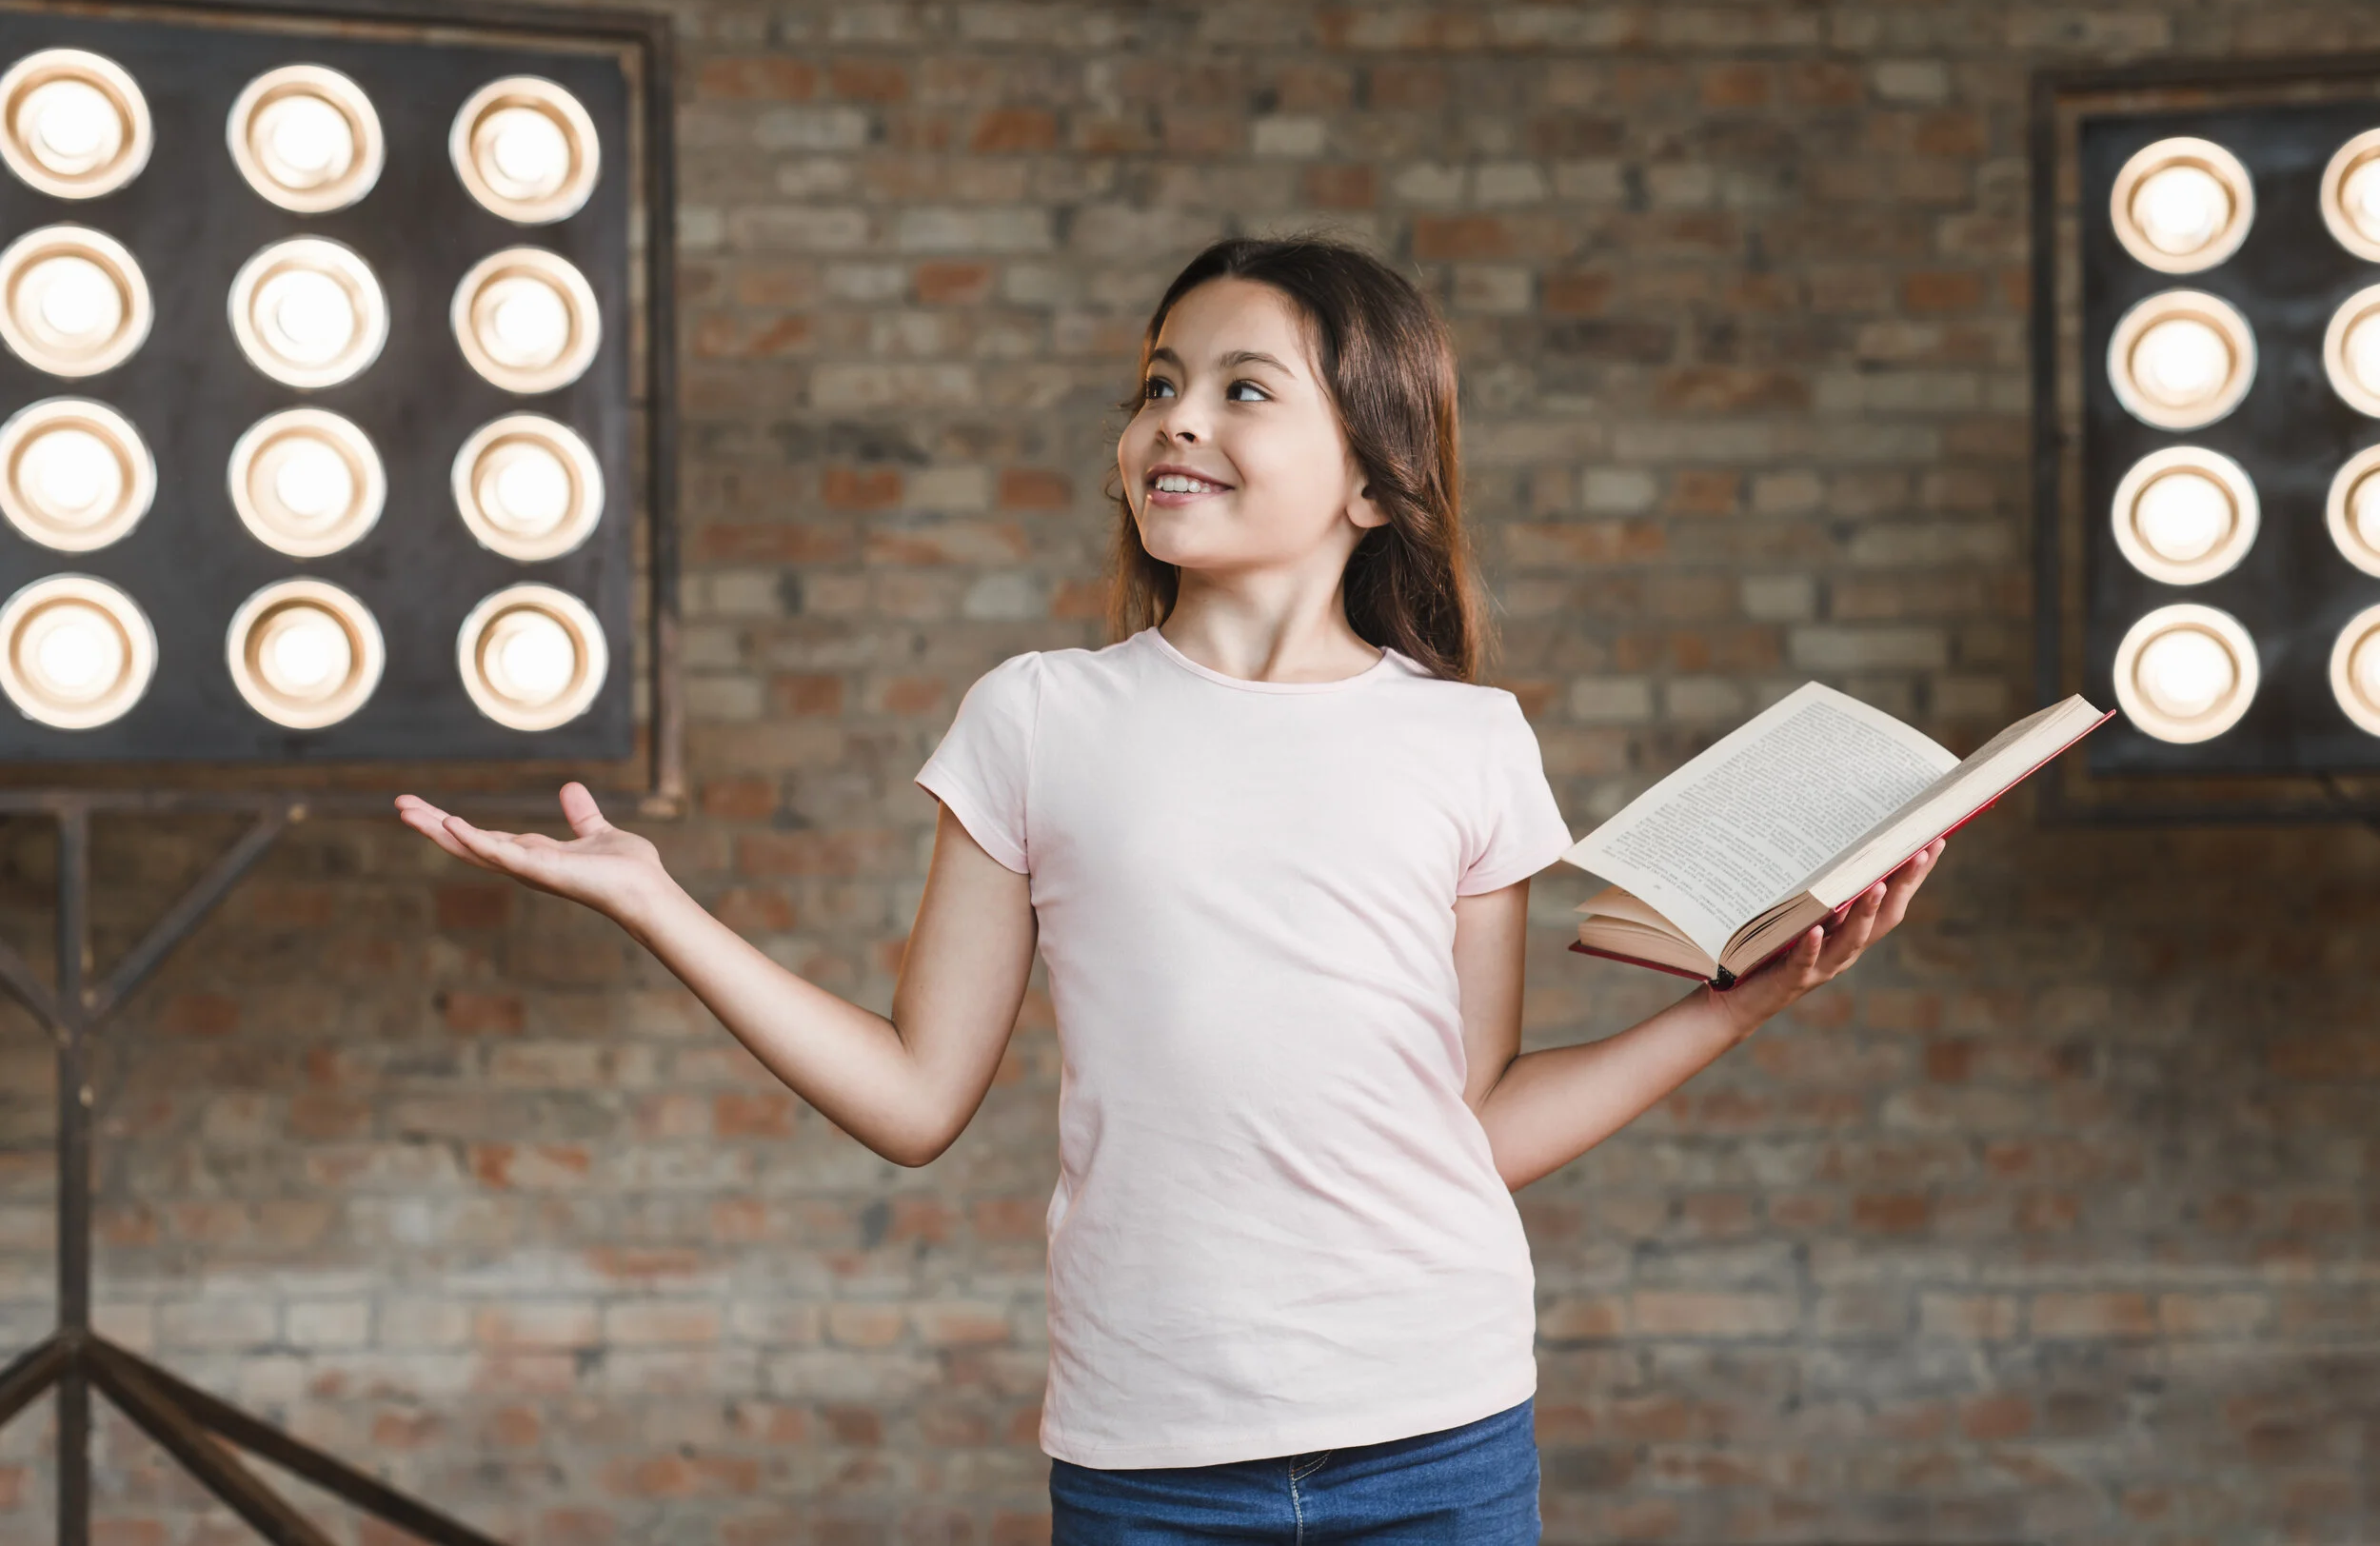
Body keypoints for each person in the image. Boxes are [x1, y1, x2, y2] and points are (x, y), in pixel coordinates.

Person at [397, 234, 1942, 1544]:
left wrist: (1750, 1002)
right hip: (1151, 1451)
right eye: (1158, 385)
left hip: (1444, 1428)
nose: (1173, 423)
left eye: (1241, 390)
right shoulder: (1038, 718)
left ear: (1375, 483)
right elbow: (916, 1097)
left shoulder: (1470, 742)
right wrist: (663, 904)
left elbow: (1466, 1123)